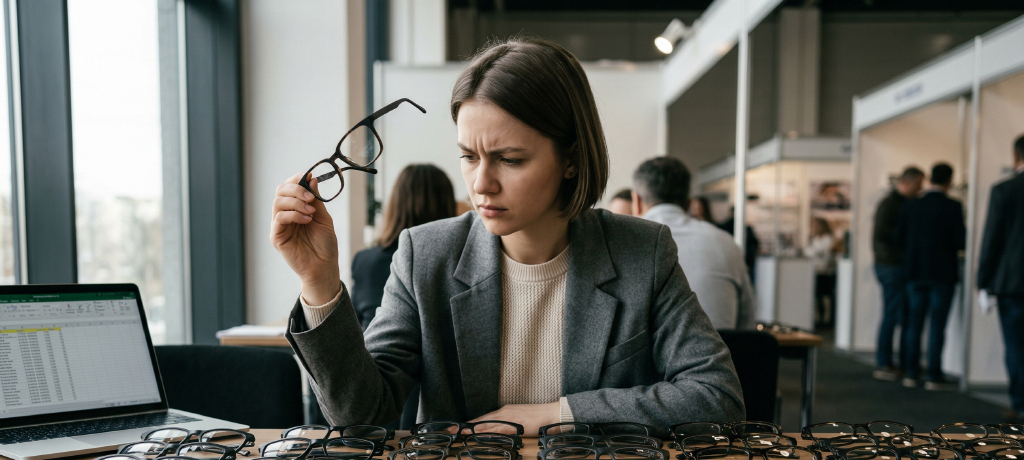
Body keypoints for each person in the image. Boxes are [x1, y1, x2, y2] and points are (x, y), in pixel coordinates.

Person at [270, 37, 744, 434]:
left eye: (510, 159)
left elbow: (716, 396)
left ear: (571, 159)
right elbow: (361, 417)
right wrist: (319, 282)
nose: (481, 184)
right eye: (468, 156)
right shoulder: (426, 255)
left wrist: (554, 415)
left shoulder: (641, 251)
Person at [631, 157, 756, 331]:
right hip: (723, 347)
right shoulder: (726, 242)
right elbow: (747, 323)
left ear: (636, 201)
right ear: (689, 203)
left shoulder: (627, 244)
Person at [352, 164, 456, 329]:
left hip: (367, 343)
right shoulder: (456, 262)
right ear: (447, 204)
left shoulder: (364, 260)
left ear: (396, 203)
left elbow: (352, 325)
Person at [897, 162, 965, 390]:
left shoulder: (911, 206)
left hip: (915, 273)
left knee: (913, 325)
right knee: (937, 326)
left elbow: (899, 237)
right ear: (950, 181)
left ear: (929, 179)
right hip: (942, 275)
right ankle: (933, 375)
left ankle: (911, 372)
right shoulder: (953, 206)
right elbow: (960, 240)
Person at [977, 134, 1024, 420]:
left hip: (1013, 283)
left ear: (1015, 156)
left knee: (1016, 345)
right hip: (1012, 283)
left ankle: (1020, 404)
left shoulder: (1005, 190)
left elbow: (992, 239)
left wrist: (983, 282)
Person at [872, 166, 924, 381]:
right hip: (891, 266)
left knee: (899, 314)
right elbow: (882, 234)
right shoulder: (890, 204)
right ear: (908, 182)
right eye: (918, 184)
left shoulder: (901, 203)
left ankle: (899, 362)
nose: (921, 189)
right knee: (892, 313)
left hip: (893, 264)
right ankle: (884, 362)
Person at [806, 217, 839, 330]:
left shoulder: (828, 239)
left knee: (825, 296)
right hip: (816, 271)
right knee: (817, 296)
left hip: (826, 272)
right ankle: (818, 318)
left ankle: (826, 318)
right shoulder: (815, 239)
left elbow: (825, 255)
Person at [717, 206, 760, 281]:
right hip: (745, 263)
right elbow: (755, 244)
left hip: (731, 263)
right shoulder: (746, 227)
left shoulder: (723, 227)